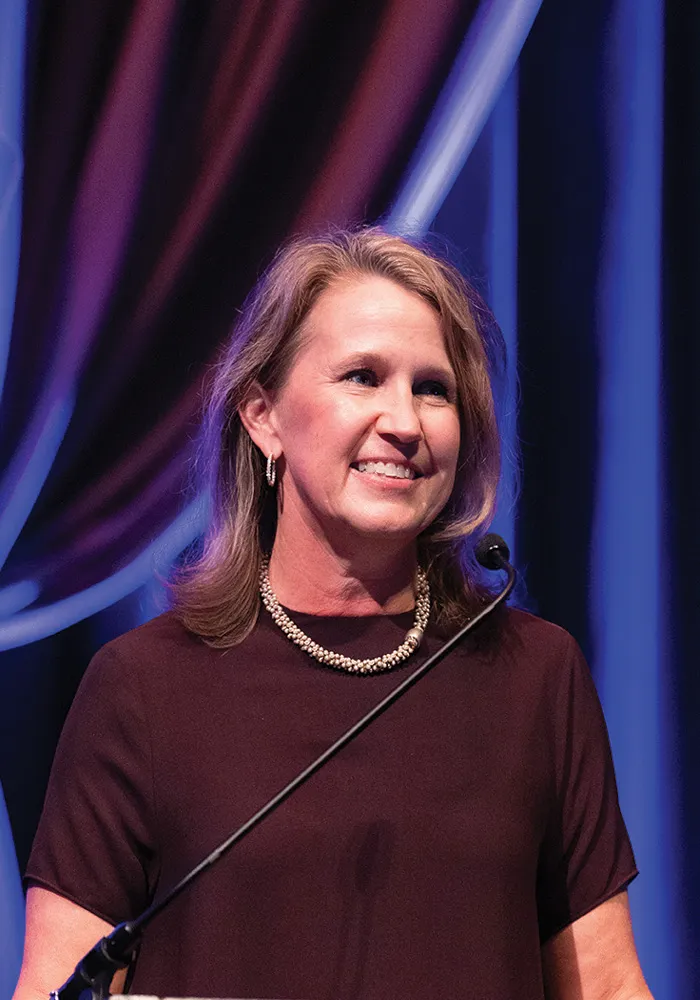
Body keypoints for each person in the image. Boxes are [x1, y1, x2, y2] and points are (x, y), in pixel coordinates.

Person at [14, 228, 652, 1000]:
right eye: (362, 376)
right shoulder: (142, 687)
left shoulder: (534, 677)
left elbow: (610, 988)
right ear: (263, 417)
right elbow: (58, 988)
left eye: (433, 389)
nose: (405, 422)